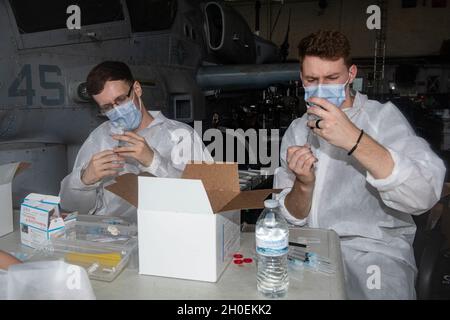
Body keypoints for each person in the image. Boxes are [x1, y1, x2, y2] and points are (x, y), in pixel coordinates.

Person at [273, 30, 446, 299]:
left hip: (375, 255)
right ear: (301, 80)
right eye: (312, 79)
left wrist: (354, 139)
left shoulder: (381, 119)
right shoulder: (297, 130)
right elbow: (289, 215)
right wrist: (303, 185)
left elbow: (423, 194)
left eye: (331, 78)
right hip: (309, 250)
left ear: (351, 74)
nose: (320, 87)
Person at [60, 61, 212, 221]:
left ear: (137, 89)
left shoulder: (180, 136)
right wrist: (84, 181)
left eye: (121, 99)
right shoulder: (101, 138)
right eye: (107, 107)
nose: (116, 110)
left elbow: (207, 198)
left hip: (165, 234)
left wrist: (154, 162)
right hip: (110, 237)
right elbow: (71, 208)